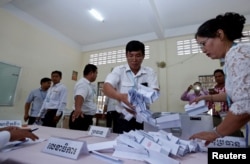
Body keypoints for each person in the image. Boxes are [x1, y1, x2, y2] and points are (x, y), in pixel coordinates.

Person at [189, 12, 250, 145]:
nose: (203, 50)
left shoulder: (238, 55)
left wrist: (215, 133)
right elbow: (234, 94)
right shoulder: (231, 58)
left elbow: (244, 105)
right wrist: (206, 98)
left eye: (203, 44)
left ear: (220, 35)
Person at [103, 40, 159, 134]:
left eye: (138, 55)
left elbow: (155, 91)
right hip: (122, 118)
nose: (134, 59)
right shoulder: (119, 70)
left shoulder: (150, 72)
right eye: (131, 55)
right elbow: (106, 87)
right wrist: (121, 97)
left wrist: (139, 103)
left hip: (142, 118)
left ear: (143, 56)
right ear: (126, 55)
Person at [69, 64, 98, 131]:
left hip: (85, 117)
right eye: (96, 73)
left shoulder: (88, 84)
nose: (96, 75)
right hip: (80, 117)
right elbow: (80, 96)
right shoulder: (83, 84)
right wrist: (78, 109)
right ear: (91, 73)